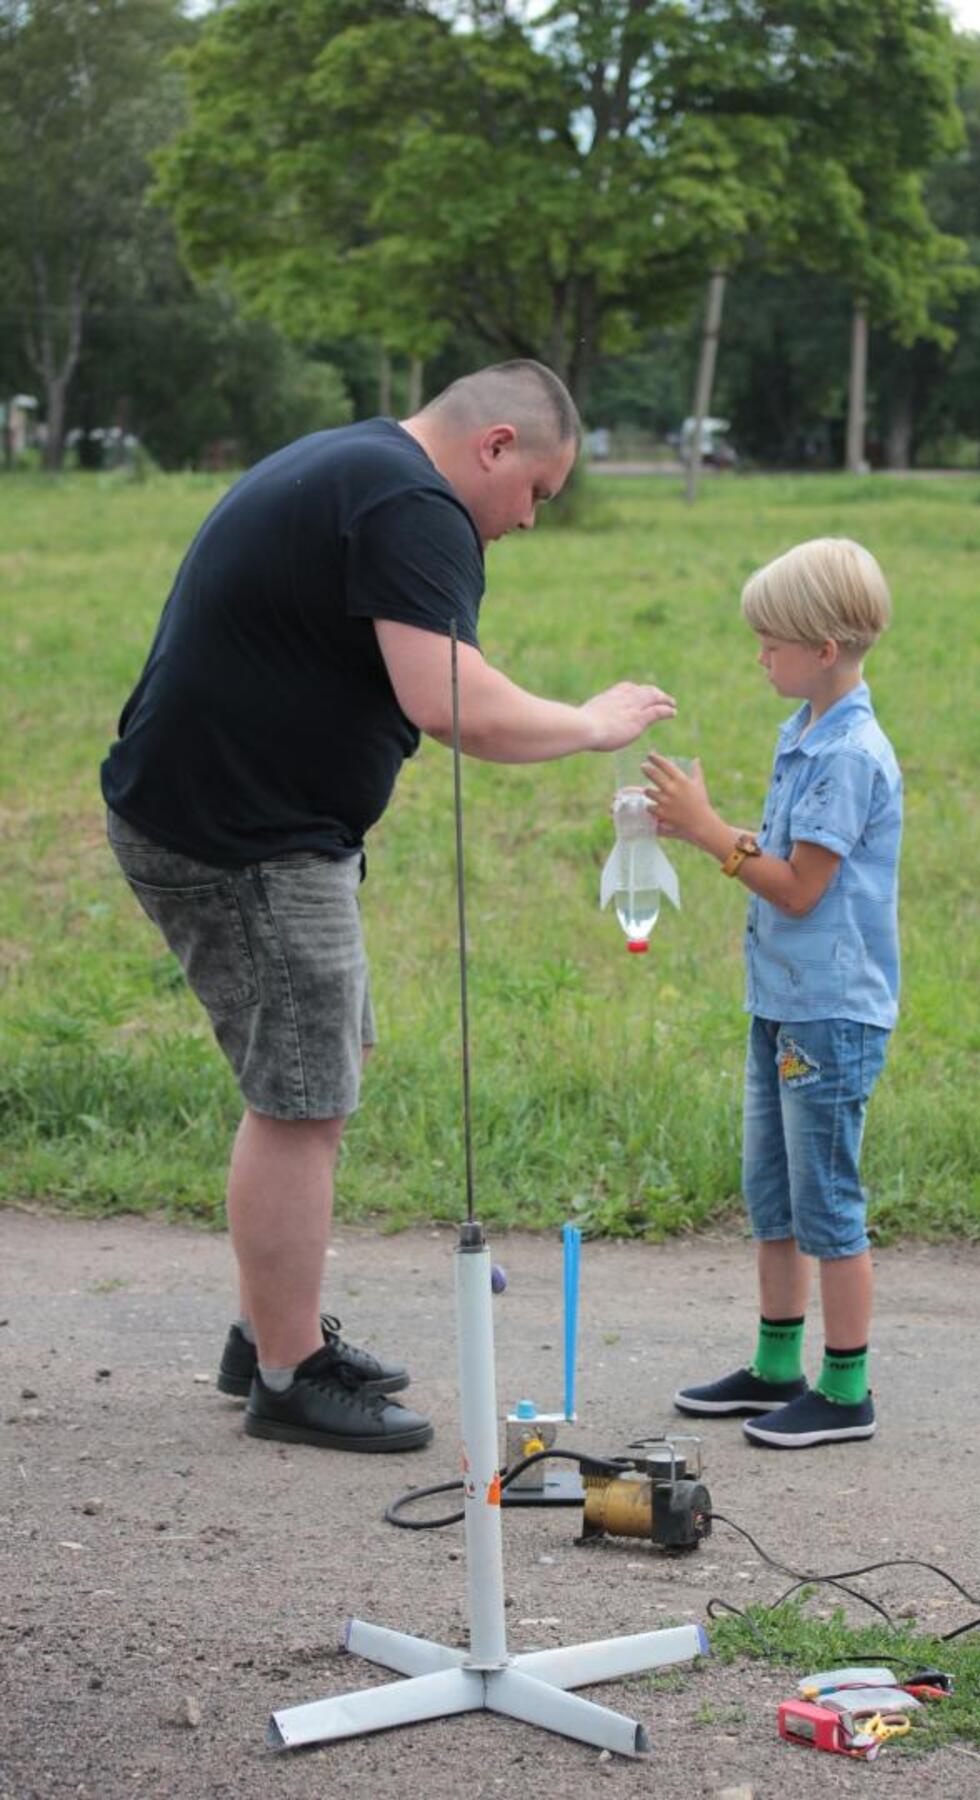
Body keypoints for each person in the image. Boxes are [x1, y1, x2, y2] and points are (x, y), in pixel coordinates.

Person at [100, 360, 675, 1454]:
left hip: (232, 814)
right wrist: (592, 723)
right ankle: (286, 1373)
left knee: (315, 1078)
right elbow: (449, 697)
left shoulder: (364, 466)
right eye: (537, 493)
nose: (529, 522)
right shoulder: (411, 499)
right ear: (495, 446)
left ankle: (270, 1329)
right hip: (244, 834)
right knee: (303, 1099)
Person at [644, 537, 900, 1449]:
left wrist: (713, 834)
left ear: (824, 648)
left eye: (772, 642)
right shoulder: (806, 736)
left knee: (826, 1197)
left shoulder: (849, 756)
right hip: (784, 1002)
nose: (760, 656)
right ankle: (776, 1364)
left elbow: (798, 888)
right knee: (775, 1193)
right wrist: (704, 828)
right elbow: (792, 856)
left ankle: (846, 1389)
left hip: (830, 1013)